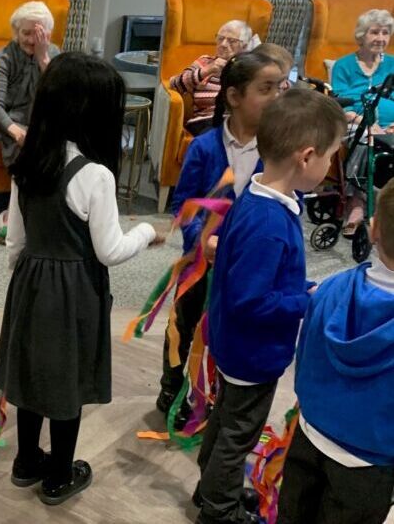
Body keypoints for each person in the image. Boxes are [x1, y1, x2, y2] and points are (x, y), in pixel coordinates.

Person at [0, 53, 162, 506]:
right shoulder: (96, 175)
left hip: (29, 281)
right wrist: (145, 232)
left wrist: (26, 284)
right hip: (73, 293)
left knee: (30, 375)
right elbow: (110, 251)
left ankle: (27, 461)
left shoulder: (28, 159)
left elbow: (15, 239)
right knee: (66, 382)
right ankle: (59, 477)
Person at [193, 88, 346, 524]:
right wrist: (305, 300)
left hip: (235, 346)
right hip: (251, 353)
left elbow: (251, 276)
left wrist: (299, 287)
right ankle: (218, 510)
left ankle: (210, 491)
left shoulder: (260, 194)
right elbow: (252, 300)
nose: (330, 166)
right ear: (307, 156)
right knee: (237, 435)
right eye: (330, 156)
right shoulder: (268, 223)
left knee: (225, 423)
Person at [158, 52, 287, 428]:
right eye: (265, 89)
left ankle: (215, 396)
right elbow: (185, 204)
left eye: (279, 88)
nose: (276, 97)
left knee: (228, 331)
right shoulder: (205, 147)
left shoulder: (276, 151)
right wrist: (203, 242)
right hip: (201, 263)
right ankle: (171, 387)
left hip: (246, 270)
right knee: (184, 327)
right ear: (233, 96)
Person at [276, 178, 394, 524]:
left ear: (372, 230)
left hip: (310, 436)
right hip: (369, 464)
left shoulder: (330, 289)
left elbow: (307, 356)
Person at [331, 9, 394, 234]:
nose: (380, 38)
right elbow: (341, 103)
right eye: (374, 32)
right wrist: (367, 125)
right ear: (361, 35)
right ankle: (355, 199)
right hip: (354, 122)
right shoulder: (343, 65)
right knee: (364, 139)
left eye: (385, 33)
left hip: (390, 125)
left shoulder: (393, 65)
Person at [0, 1, 60, 167]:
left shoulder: (54, 54)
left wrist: (43, 60)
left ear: (47, 34)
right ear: (16, 32)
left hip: (42, 122)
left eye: (36, 34)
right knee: (31, 154)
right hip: (8, 123)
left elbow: (61, 98)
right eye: (25, 33)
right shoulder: (3, 58)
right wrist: (17, 133)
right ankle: (26, 192)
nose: (30, 40)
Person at [170, 20, 253, 136]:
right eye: (220, 38)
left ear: (244, 45)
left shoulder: (251, 67)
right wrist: (207, 70)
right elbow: (174, 84)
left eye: (231, 41)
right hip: (206, 121)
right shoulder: (205, 62)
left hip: (239, 122)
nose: (223, 44)